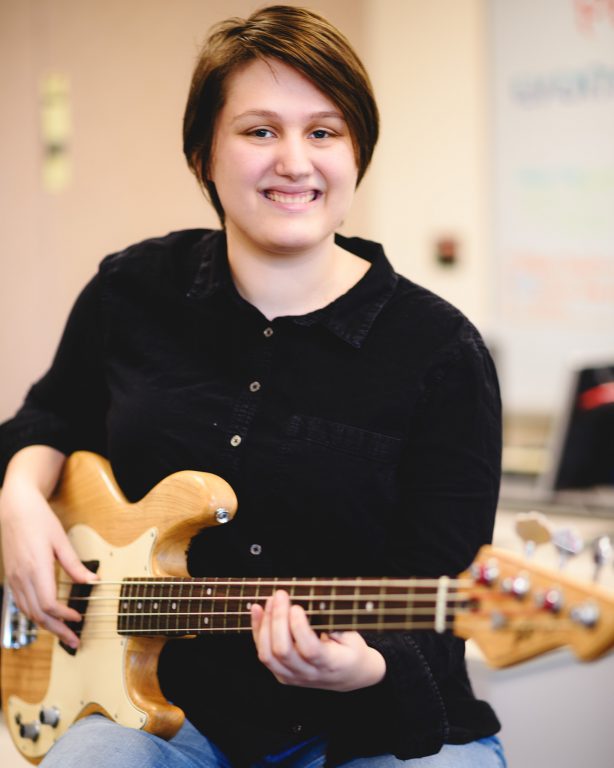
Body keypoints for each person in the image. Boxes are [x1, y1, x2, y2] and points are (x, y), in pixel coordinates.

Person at [0, 6, 506, 768]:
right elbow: (50, 413)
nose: (294, 163)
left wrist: (362, 665)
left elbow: (444, 603)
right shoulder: (131, 288)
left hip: (368, 731)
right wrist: (17, 501)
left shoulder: (440, 352)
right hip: (161, 715)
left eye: (323, 132)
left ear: (357, 151)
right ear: (204, 153)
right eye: (260, 131)